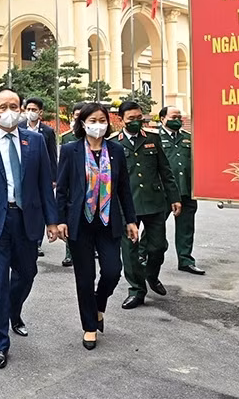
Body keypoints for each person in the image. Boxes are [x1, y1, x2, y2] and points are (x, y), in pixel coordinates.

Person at [0, 88, 58, 369]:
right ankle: (0, 342)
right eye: (3, 107)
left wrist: (52, 221)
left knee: (27, 273)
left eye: (14, 106)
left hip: (27, 219)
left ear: (21, 109)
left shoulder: (36, 141)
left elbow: (44, 184)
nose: (10, 111)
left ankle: (13, 311)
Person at [56, 103, 138, 350]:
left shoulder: (116, 150)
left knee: (113, 271)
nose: (98, 124)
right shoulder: (70, 150)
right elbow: (62, 189)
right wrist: (60, 220)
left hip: (108, 220)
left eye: (102, 120)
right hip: (80, 222)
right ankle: (89, 326)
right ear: (82, 123)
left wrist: (131, 220)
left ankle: (98, 305)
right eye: (92, 120)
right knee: (84, 277)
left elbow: (124, 188)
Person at [109, 101, 181, 310]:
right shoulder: (114, 144)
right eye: (131, 119)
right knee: (130, 251)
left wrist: (174, 197)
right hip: (126, 205)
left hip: (154, 202)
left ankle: (151, 274)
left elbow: (165, 171)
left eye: (139, 118)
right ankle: (136, 290)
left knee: (158, 247)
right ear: (121, 120)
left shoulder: (152, 139)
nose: (136, 122)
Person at [158, 106, 204, 275]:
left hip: (185, 189)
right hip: (163, 192)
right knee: (155, 227)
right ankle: (143, 256)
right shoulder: (155, 138)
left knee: (186, 227)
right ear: (162, 118)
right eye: (173, 116)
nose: (178, 119)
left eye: (180, 116)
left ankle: (185, 260)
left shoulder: (188, 138)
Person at [18, 97, 58, 258]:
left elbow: (52, 155)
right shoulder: (19, 127)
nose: (31, 113)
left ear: (40, 112)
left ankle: (37, 241)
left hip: (41, 174)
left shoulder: (47, 132)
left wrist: (53, 177)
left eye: (34, 110)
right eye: (28, 109)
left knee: (40, 206)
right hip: (24, 173)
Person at [58, 102, 86, 267]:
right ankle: (70, 253)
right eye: (76, 116)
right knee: (71, 220)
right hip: (72, 184)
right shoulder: (67, 137)